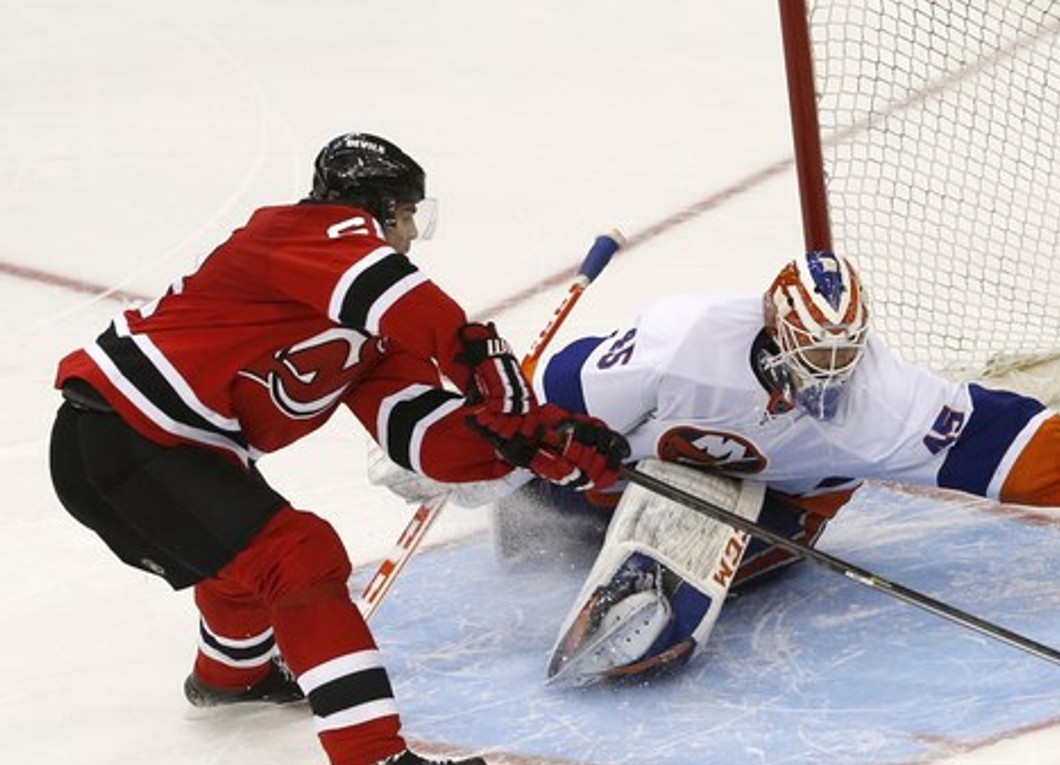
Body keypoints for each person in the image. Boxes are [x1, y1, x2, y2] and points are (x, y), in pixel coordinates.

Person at [373, 249, 1060, 685]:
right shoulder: (685, 342)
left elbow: (989, 438)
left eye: (841, 358)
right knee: (536, 513)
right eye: (811, 359)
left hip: (780, 503)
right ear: (775, 329)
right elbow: (554, 393)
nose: (826, 378)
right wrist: (468, 448)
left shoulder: (876, 397)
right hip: (634, 465)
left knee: (670, 599)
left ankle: (656, 584)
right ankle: (577, 532)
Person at [47, 132, 628, 765]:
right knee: (297, 557)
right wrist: (490, 373)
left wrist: (525, 446)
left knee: (247, 563)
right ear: (376, 210)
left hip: (178, 452)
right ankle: (370, 756)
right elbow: (409, 301)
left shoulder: (375, 331)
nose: (411, 235)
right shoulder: (296, 233)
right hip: (119, 434)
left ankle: (230, 677)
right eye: (408, 216)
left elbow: (418, 435)